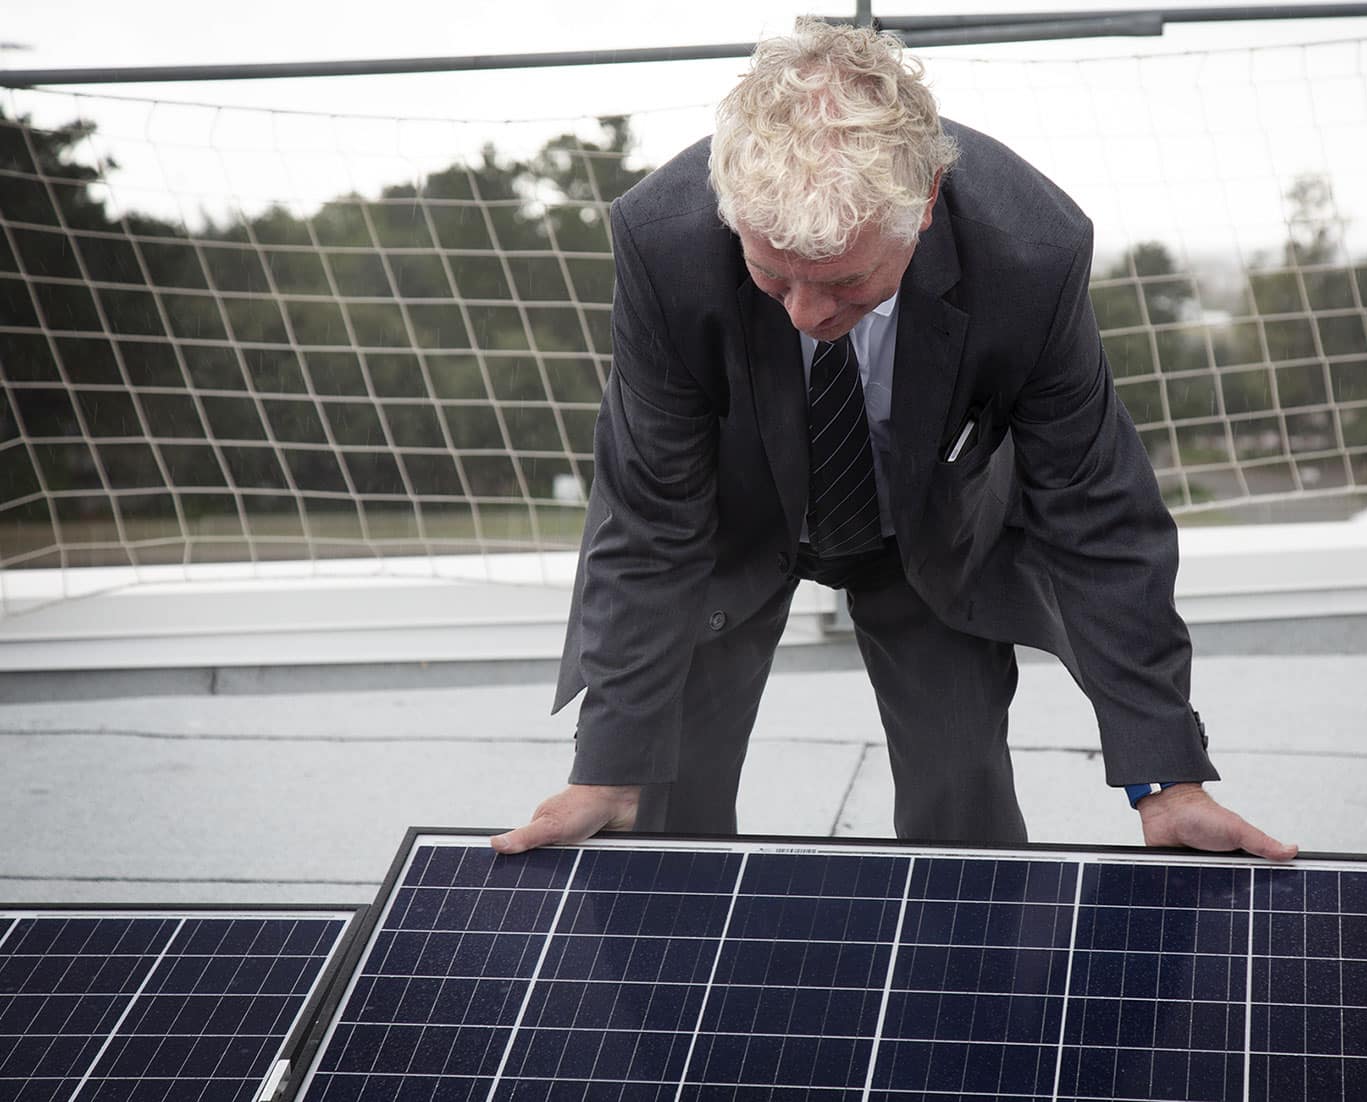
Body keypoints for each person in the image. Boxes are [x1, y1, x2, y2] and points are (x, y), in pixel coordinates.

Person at [494, 19, 1295, 862]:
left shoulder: (1032, 253)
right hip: (729, 516)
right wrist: (608, 766)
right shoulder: (664, 243)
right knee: (655, 807)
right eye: (773, 276)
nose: (804, 314)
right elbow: (648, 516)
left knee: (962, 804)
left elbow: (1097, 512)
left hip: (928, 518)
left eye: (843, 281)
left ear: (925, 209)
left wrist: (1166, 778)